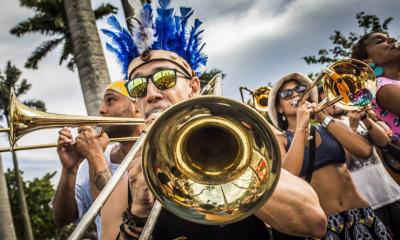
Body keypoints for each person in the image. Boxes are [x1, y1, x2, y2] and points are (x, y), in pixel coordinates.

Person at [100, 2, 327, 239]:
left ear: (194, 87)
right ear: (135, 102)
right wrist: (138, 211)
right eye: (137, 86)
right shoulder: (125, 178)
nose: (151, 93)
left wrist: (222, 160)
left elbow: (313, 222)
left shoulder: (240, 139)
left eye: (165, 78)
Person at [267, 72, 392, 239]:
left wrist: (322, 117)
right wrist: (300, 128)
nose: (296, 94)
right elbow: (289, 178)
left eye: (300, 89)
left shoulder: (331, 125)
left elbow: (364, 151)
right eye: (287, 94)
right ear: (279, 108)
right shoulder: (280, 139)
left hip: (363, 214)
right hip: (326, 225)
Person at [51, 80, 142, 239]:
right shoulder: (99, 156)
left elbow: (119, 217)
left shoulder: (155, 154)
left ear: (137, 105)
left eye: (110, 100)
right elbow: (62, 218)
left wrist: (95, 156)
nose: (101, 110)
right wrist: (69, 170)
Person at [351, 32, 400, 136]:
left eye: (389, 37)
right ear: (367, 61)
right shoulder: (381, 87)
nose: (392, 39)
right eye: (379, 40)